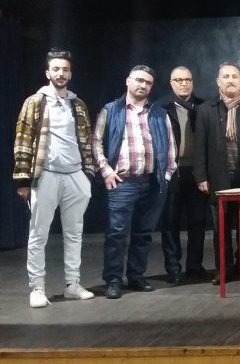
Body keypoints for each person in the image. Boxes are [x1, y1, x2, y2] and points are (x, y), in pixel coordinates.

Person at [13, 49, 96, 308]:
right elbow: (23, 140)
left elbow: (86, 140)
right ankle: (37, 288)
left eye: (65, 69)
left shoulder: (77, 104)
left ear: (70, 73)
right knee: (39, 234)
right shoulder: (35, 102)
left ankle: (73, 284)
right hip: (46, 174)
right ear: (47, 72)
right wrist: (23, 180)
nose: (61, 73)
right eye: (56, 69)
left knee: (74, 233)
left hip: (74, 175)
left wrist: (87, 174)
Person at [93, 65, 177, 299]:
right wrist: (106, 171)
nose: (143, 85)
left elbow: (171, 146)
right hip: (122, 183)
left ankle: (136, 276)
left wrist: (166, 176)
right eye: (139, 80)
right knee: (117, 233)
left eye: (148, 82)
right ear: (128, 81)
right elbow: (96, 142)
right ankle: (113, 280)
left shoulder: (159, 113)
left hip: (152, 182)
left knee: (144, 233)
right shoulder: (111, 110)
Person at [193, 62, 240, 285]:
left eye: (234, 76)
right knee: (221, 229)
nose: (230, 80)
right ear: (218, 81)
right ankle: (224, 269)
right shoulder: (206, 110)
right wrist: (201, 177)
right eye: (226, 76)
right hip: (218, 178)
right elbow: (200, 147)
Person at [158, 66, 209, 284]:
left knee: (198, 221)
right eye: (179, 80)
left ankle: (195, 266)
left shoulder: (203, 106)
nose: (184, 83)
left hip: (197, 171)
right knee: (170, 222)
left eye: (187, 79)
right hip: (172, 171)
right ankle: (173, 268)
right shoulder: (161, 108)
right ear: (171, 83)